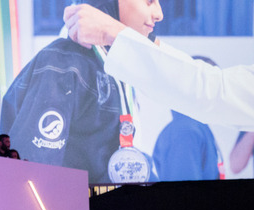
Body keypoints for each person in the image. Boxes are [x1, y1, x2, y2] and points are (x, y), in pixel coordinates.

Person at [1, 0, 164, 184]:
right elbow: (32, 180)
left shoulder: (116, 65)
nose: (159, 14)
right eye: (149, 1)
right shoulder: (61, 66)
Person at [64, 3, 254, 128]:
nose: (160, 15)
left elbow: (212, 92)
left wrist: (117, 34)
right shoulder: (61, 62)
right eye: (148, 1)